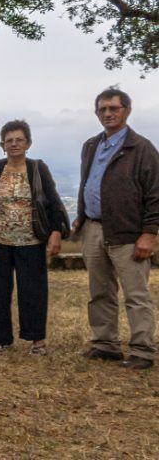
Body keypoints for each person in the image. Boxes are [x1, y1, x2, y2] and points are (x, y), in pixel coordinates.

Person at [75, 88, 159, 369]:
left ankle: (142, 351)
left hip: (128, 232)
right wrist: (81, 216)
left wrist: (150, 232)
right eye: (103, 109)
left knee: (136, 295)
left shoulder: (141, 148)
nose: (108, 114)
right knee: (100, 291)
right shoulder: (90, 145)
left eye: (114, 108)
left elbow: (155, 193)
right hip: (94, 228)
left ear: (127, 111)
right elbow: (88, 183)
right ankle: (105, 344)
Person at [0, 120, 68, 354]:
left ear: (28, 143)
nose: (14, 144)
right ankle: (0, 341)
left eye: (19, 139)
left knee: (33, 292)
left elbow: (53, 202)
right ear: (2, 145)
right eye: (9, 140)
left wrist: (56, 232)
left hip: (32, 241)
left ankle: (37, 341)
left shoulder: (37, 168)